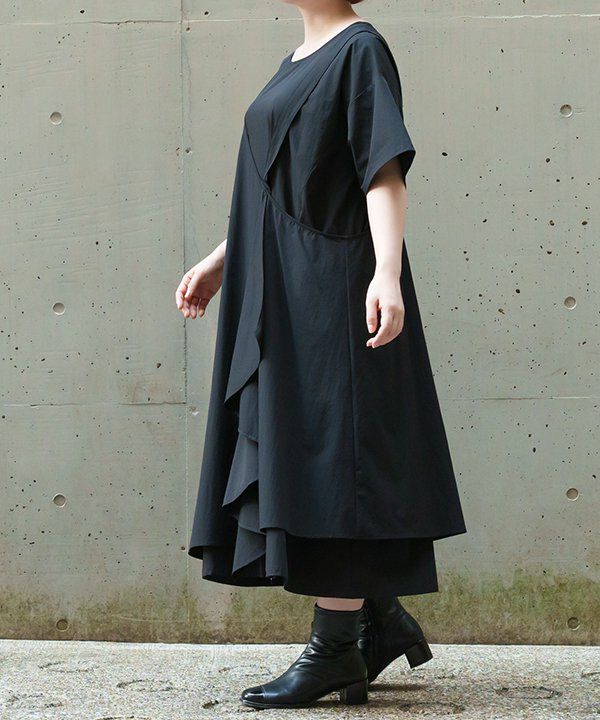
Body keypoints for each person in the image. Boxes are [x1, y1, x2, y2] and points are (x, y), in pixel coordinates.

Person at [176, 0, 467, 710]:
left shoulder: (359, 49)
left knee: (338, 456)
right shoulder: (295, 63)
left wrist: (386, 273)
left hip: (334, 282)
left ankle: (335, 649)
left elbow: (381, 168)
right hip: (284, 289)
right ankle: (378, 617)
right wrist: (222, 260)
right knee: (309, 453)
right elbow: (283, 184)